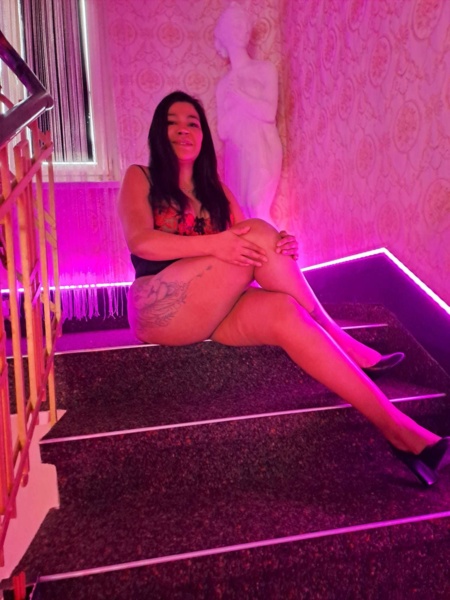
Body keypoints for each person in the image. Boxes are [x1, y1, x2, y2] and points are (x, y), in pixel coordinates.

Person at [118, 90, 449, 487]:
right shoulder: (141, 177)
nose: (184, 130)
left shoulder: (217, 191)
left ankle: (404, 435)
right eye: (173, 122)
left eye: (193, 123)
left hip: (214, 309)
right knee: (258, 234)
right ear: (159, 131)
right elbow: (141, 241)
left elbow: (248, 251)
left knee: (284, 308)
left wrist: (280, 247)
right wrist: (221, 243)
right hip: (158, 305)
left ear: (203, 134)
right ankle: (340, 338)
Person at [214, 1, 282, 224]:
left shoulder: (264, 70)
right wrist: (237, 105)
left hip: (262, 145)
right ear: (223, 34)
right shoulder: (223, 86)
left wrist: (241, 96)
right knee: (240, 215)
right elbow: (223, 131)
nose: (241, 29)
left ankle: (279, 246)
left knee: (257, 205)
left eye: (243, 24)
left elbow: (268, 113)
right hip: (236, 152)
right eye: (235, 24)